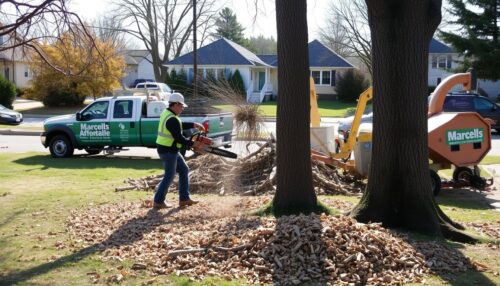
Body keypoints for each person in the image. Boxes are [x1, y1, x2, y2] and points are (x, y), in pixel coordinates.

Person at [153, 93, 205, 209]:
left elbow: (179, 125)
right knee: (169, 176)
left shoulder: (168, 114)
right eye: (181, 106)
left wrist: (193, 125)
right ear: (175, 104)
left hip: (169, 149)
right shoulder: (172, 119)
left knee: (184, 169)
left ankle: (184, 199)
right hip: (168, 151)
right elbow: (179, 138)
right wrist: (194, 143)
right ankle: (158, 201)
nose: (182, 109)